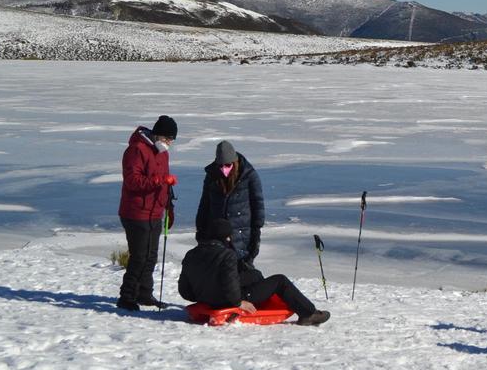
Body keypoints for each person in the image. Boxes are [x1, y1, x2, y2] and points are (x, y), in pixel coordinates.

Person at [179, 218, 330, 326]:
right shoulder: (226, 255)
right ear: (225, 237)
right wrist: (238, 302)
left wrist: (204, 295)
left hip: (205, 298)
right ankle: (308, 314)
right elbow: (229, 285)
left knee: (254, 275)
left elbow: (185, 291)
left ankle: (264, 300)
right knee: (280, 280)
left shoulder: (191, 254)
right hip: (226, 299)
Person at [117, 115, 178, 311]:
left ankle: (144, 293)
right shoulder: (136, 150)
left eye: (172, 140)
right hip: (136, 212)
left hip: (155, 211)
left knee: (151, 256)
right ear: (157, 135)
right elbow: (132, 181)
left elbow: (163, 183)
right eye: (167, 139)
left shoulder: (162, 153)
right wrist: (160, 180)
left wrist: (168, 206)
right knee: (139, 256)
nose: (169, 143)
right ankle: (127, 297)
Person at [196, 140, 265, 271]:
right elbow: (204, 205)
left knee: (240, 275)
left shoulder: (249, 176)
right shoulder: (212, 177)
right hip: (217, 235)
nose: (224, 169)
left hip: (241, 237)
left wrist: (255, 237)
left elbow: (258, 206)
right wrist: (201, 231)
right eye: (221, 165)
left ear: (234, 162)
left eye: (227, 165)